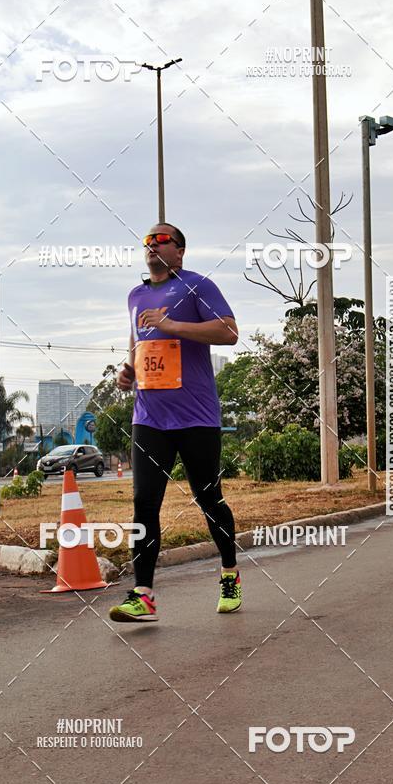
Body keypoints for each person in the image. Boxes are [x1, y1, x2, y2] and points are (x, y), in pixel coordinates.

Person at [109, 222, 241, 623]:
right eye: (147, 241)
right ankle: (143, 595)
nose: (152, 245)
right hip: (149, 417)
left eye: (161, 240)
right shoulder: (135, 295)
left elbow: (229, 331)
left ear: (180, 251)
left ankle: (230, 574)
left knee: (207, 496)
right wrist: (127, 369)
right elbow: (138, 343)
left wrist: (173, 326)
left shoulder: (198, 286)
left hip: (196, 415)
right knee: (144, 504)